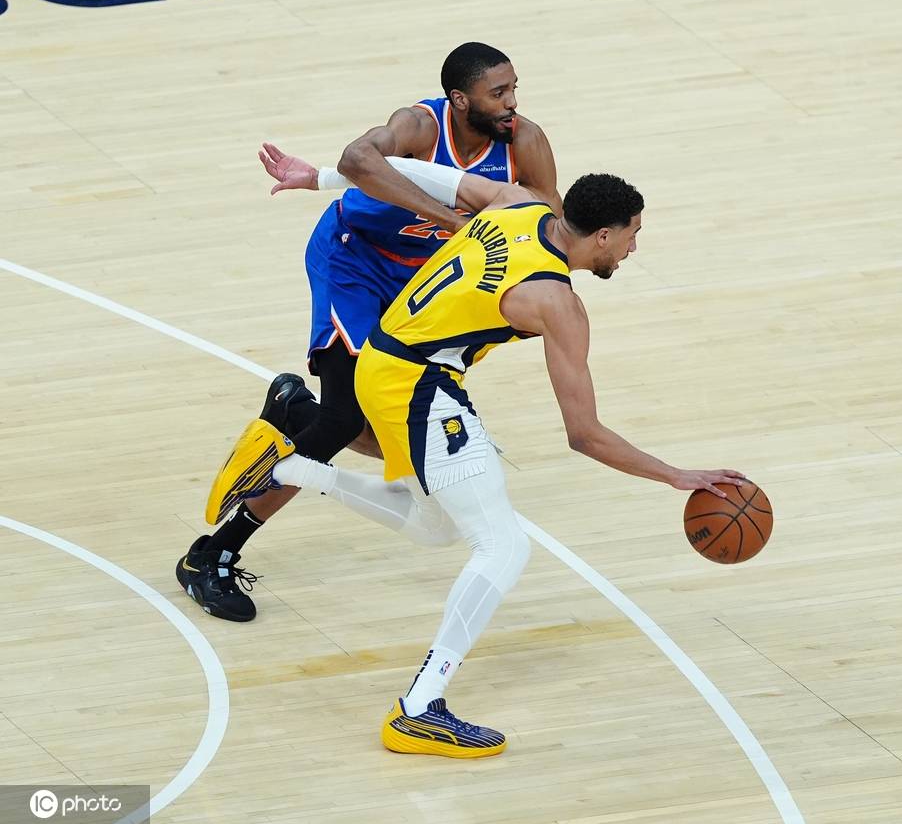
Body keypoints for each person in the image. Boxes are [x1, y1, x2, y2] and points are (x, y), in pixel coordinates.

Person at [205, 160, 747, 757]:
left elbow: (404, 170)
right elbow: (584, 434)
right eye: (632, 235)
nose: (633, 248)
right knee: (504, 547)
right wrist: (675, 475)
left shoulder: (516, 203)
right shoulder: (557, 303)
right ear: (602, 236)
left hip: (383, 362)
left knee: (438, 526)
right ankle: (418, 708)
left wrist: (323, 179)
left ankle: (290, 467)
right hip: (418, 386)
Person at [176, 42, 560, 622]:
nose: (512, 103)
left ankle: (293, 412)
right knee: (343, 418)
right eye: (498, 93)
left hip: (426, 289)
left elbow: (548, 226)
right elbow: (358, 159)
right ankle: (212, 554)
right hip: (354, 262)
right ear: (460, 100)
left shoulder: (525, 142)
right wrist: (452, 221)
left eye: (514, 90)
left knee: (388, 437)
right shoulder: (420, 125)